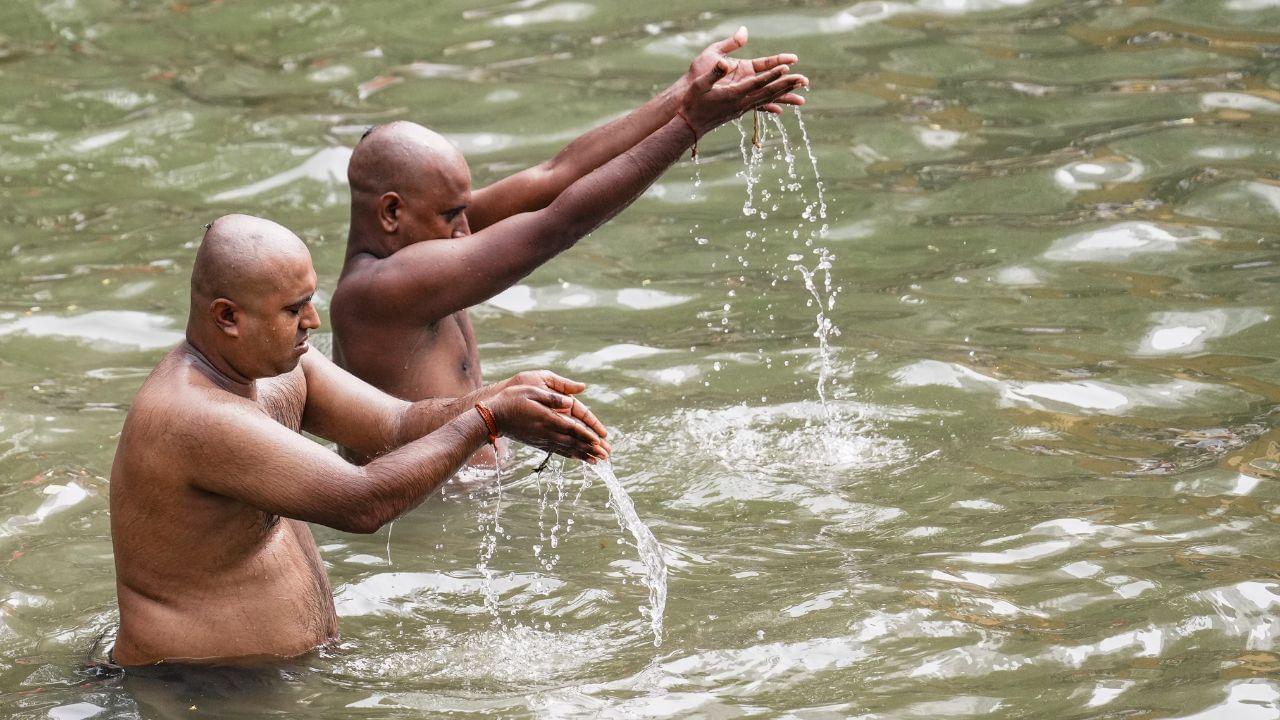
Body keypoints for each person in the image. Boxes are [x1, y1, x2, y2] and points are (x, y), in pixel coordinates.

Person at [108, 213, 611, 666]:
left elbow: (397, 425)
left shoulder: (282, 367)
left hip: (260, 682)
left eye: (311, 300)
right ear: (227, 317)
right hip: (192, 690)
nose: (313, 322)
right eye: (293, 309)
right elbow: (362, 502)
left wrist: (508, 396)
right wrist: (485, 419)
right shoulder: (194, 415)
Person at [330, 28, 807, 461]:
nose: (468, 227)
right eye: (453, 215)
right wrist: (687, 127)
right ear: (392, 213)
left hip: (468, 504)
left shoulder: (432, 234)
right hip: (425, 530)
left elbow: (556, 176)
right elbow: (555, 227)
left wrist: (686, 93)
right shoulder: (376, 292)